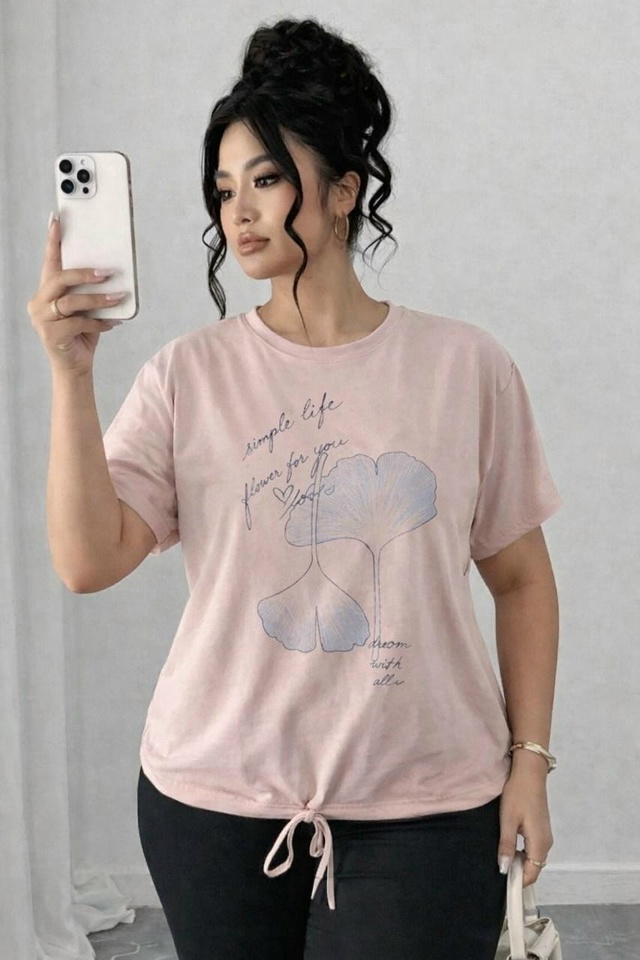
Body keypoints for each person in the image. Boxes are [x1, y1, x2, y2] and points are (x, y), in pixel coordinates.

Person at [29, 16, 562, 960]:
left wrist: (530, 764)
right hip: (213, 802)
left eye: (267, 179)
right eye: (224, 187)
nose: (238, 211)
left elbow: (521, 581)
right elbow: (85, 562)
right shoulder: (187, 375)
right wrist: (72, 375)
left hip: (429, 804)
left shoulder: (465, 367)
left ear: (345, 190)